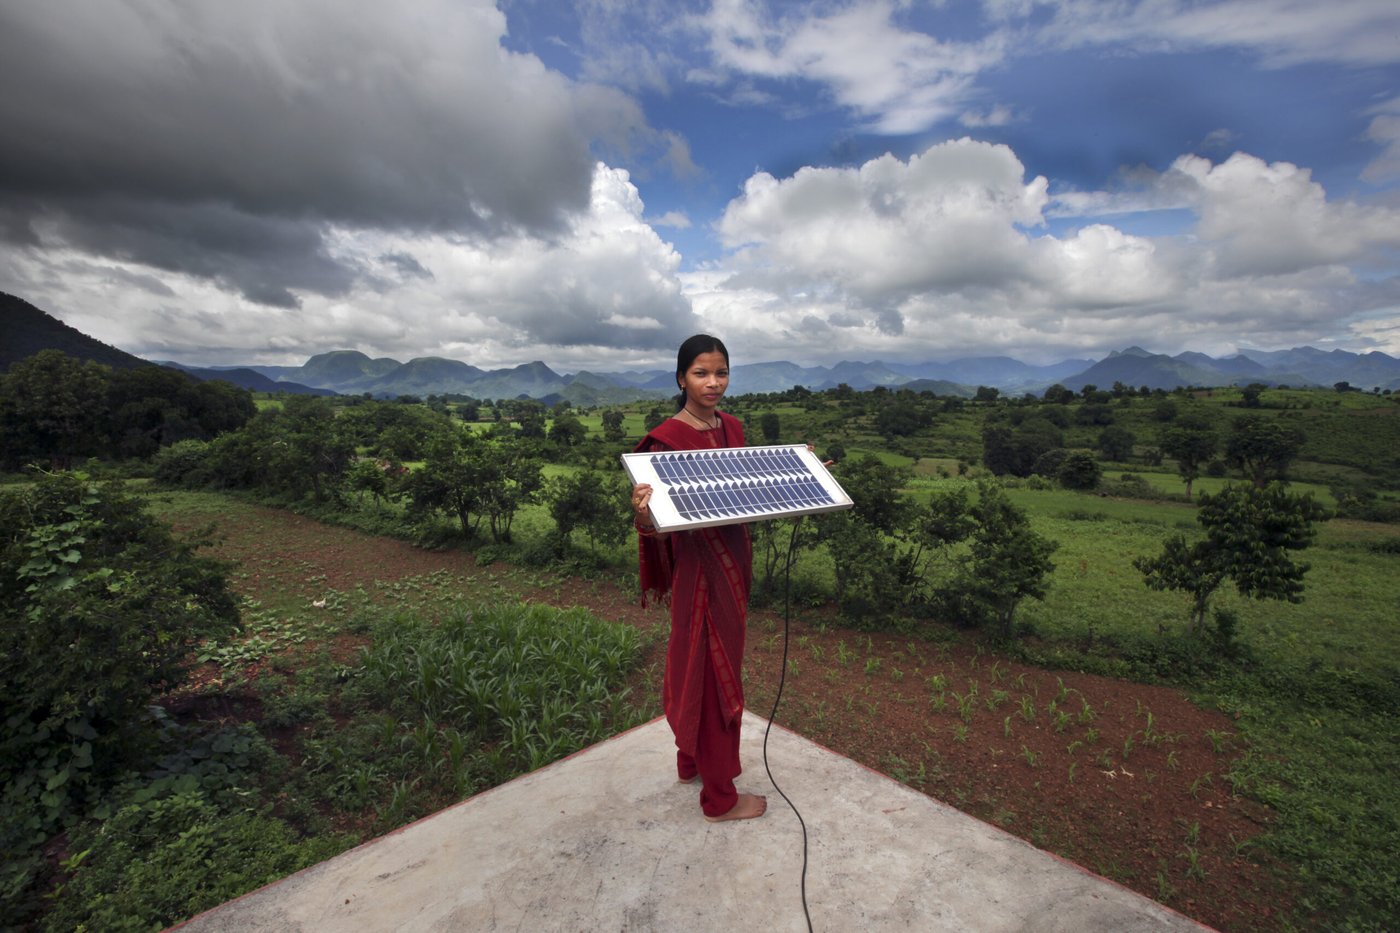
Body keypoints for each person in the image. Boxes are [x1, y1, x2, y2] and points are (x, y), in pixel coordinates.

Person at [631, 334, 767, 822]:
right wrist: (644, 516)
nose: (713, 383)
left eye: (722, 372)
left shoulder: (733, 427)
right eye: (701, 373)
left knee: (707, 666)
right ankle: (719, 797)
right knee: (707, 674)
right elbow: (655, 529)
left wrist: (799, 476)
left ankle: (689, 762)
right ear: (681, 377)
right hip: (700, 577)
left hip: (734, 568)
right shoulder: (664, 441)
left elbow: (743, 493)